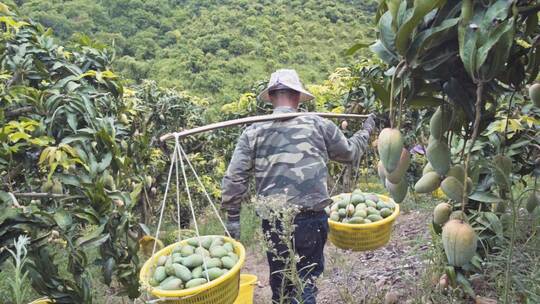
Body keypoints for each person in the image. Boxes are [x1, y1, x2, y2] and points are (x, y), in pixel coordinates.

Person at [221, 69, 376, 303]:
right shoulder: (319, 124)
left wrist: (233, 217)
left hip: (274, 222)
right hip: (311, 219)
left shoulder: (253, 132)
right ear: (297, 96)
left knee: (282, 284)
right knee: (306, 282)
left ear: (272, 97)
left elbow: (235, 178)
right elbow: (350, 153)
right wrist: (366, 131)